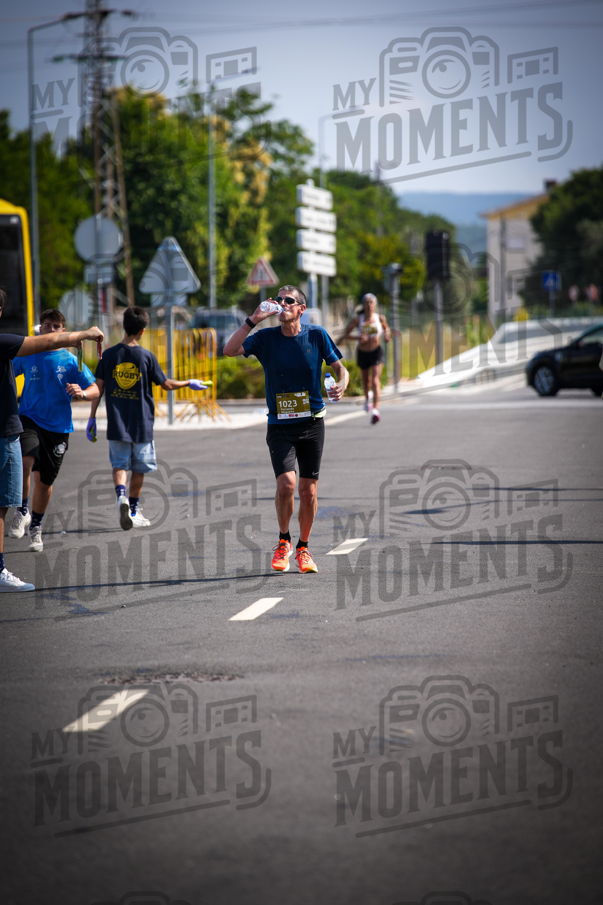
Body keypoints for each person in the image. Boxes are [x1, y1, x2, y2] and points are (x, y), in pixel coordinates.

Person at [224, 285, 349, 573]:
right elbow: (229, 350)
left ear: (301, 309)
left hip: (312, 423)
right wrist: (253, 319)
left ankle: (304, 548)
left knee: (308, 492)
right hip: (280, 424)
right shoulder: (266, 338)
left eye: (288, 300)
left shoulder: (316, 335)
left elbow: (341, 370)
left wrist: (341, 384)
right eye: (278, 299)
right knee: (286, 486)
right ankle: (284, 541)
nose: (282, 304)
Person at [0, 287, 103, 591]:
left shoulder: (70, 360)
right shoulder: (27, 353)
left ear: (63, 330)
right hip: (28, 419)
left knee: (45, 481)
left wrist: (84, 393)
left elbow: (96, 387)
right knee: (26, 457)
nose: (53, 331)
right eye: (48, 326)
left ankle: (37, 524)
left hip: (59, 427)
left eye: (57, 327)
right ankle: (20, 508)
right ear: (41, 328)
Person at [88, 305, 207, 530]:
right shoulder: (146, 356)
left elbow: (98, 388)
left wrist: (92, 418)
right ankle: (133, 510)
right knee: (140, 468)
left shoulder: (109, 355)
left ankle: (120, 496)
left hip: (117, 421)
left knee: (119, 464)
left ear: (123, 326)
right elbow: (166, 384)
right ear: (143, 331)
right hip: (142, 423)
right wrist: (188, 382)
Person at [339, 293, 390, 424]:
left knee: (375, 381)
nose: (369, 305)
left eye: (371, 302)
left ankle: (376, 411)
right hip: (362, 352)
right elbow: (346, 334)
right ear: (363, 305)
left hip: (376, 352)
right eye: (367, 302)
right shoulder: (358, 319)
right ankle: (368, 398)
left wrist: (387, 336)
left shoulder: (380, 318)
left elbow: (386, 328)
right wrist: (358, 337)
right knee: (366, 382)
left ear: (375, 305)